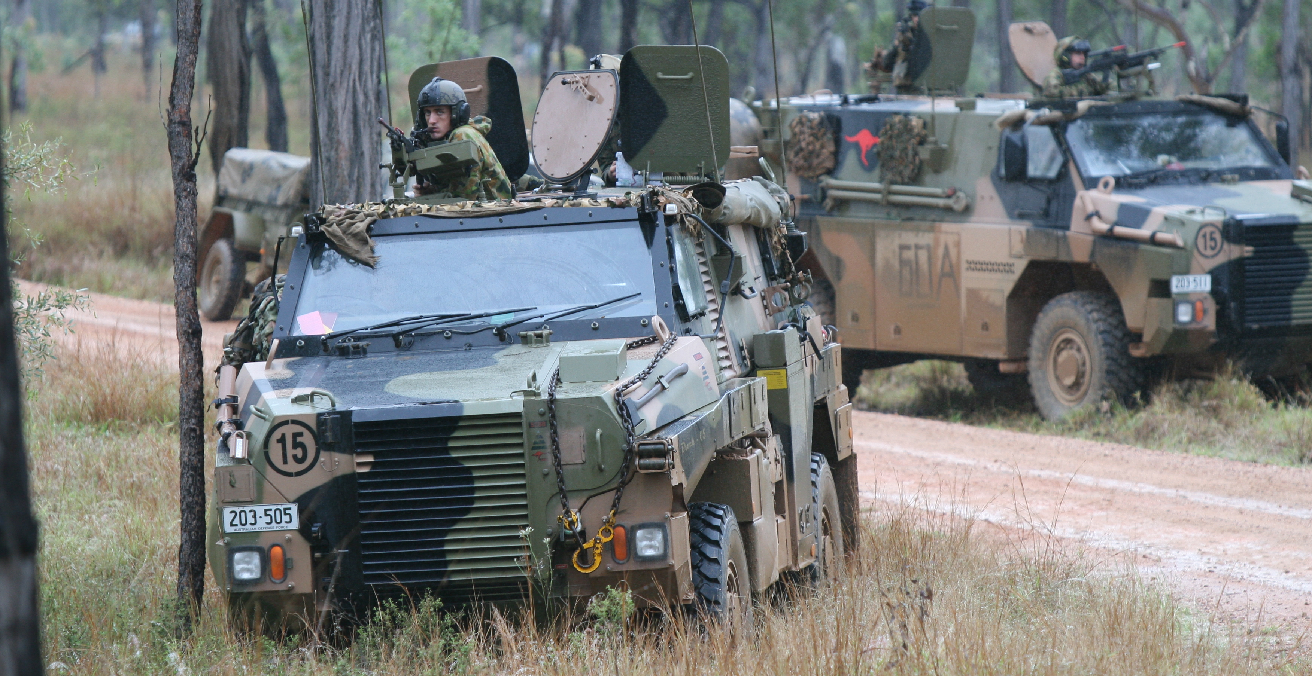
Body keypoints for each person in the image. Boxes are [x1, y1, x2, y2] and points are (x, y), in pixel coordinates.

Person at [412, 77, 514, 200]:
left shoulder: (462, 135)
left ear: (457, 114)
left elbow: (465, 197)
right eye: (428, 113)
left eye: (439, 112)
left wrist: (432, 197)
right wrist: (432, 191)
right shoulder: (452, 136)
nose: (432, 120)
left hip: (494, 211)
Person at [868, 0, 931, 92]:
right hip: (907, 88)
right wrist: (901, 41)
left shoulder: (931, 35)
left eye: (918, 15)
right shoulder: (906, 34)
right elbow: (889, 62)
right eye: (914, 16)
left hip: (926, 87)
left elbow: (920, 56)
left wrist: (909, 41)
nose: (916, 19)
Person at [1042, 36, 1111, 99]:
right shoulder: (1056, 75)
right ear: (1065, 56)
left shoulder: (1086, 75)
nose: (1082, 57)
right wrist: (1082, 90)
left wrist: (1106, 74)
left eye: (1084, 54)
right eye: (1078, 53)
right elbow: (1052, 93)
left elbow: (1108, 88)